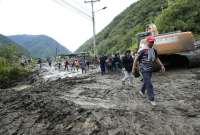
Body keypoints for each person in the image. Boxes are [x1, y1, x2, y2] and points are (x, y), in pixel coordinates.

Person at [132, 35, 165, 106]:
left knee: (147, 81)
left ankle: (141, 91)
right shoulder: (142, 50)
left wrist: (161, 65)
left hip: (150, 68)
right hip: (143, 69)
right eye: (150, 42)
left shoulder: (153, 50)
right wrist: (133, 69)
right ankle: (152, 99)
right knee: (149, 84)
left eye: (153, 42)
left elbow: (156, 58)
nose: (152, 43)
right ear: (147, 42)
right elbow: (136, 59)